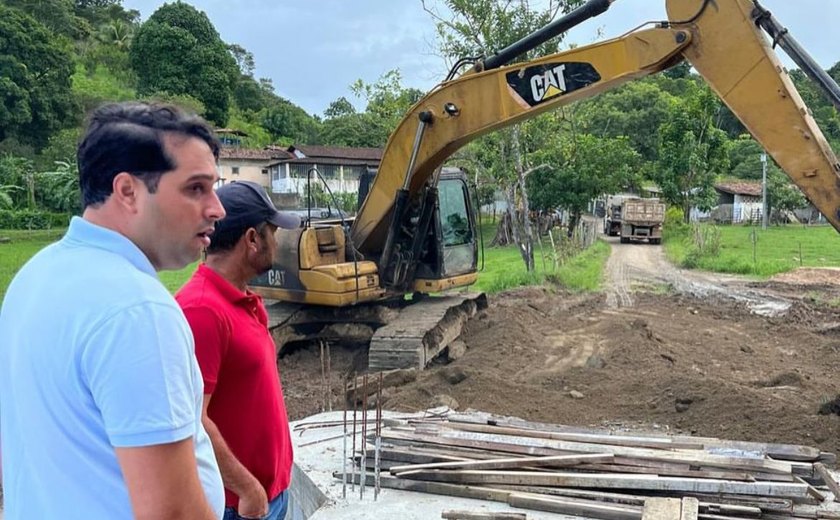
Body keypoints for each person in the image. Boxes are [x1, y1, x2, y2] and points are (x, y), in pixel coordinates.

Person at [0, 102, 226, 519]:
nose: (217, 208)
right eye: (196, 188)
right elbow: (172, 513)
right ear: (128, 192)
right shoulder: (137, 311)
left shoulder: (36, 276)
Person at [176, 181, 298, 520]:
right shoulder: (202, 310)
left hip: (269, 495)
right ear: (252, 239)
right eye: (272, 232)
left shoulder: (241, 300)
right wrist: (247, 488)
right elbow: (191, 418)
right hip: (239, 505)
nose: (277, 242)